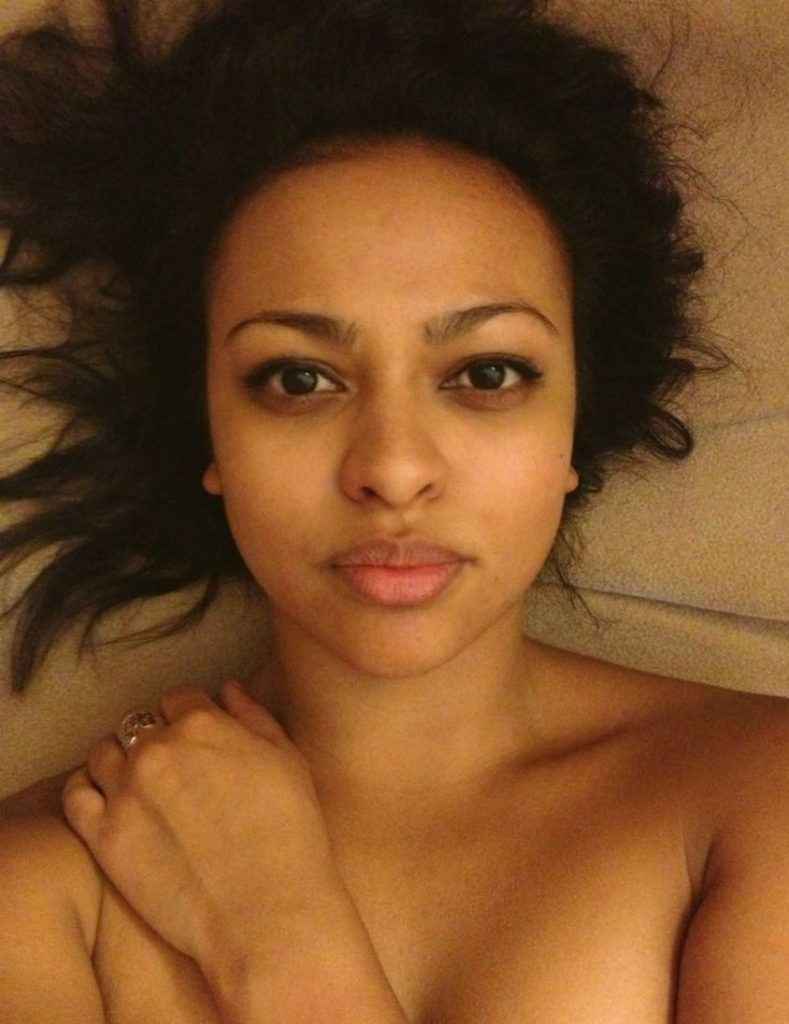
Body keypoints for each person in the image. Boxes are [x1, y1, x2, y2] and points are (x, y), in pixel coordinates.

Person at [1, 1, 787, 1021]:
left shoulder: (756, 797)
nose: (393, 468)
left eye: (486, 373)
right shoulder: (41, 891)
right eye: (298, 379)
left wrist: (282, 943)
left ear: (577, 424)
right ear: (207, 432)